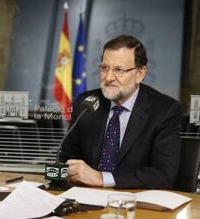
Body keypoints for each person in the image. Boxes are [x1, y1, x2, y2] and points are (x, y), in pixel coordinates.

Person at [61, 34, 182, 189]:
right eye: (105, 68)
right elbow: (66, 158)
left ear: (140, 74)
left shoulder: (165, 110)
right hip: (86, 197)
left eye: (118, 70)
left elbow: (163, 175)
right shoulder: (86, 103)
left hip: (135, 203)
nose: (109, 77)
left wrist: (102, 178)